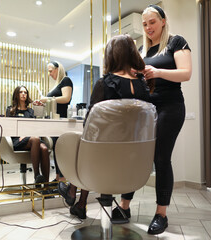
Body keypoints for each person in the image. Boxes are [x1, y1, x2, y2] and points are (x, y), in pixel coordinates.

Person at [111, 5, 192, 235]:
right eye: (145, 24)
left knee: (161, 157)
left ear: (163, 21)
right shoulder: (142, 50)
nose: (148, 28)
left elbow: (186, 73)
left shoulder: (177, 42)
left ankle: (161, 214)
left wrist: (156, 72)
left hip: (171, 107)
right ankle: (125, 207)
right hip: (147, 109)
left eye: (152, 22)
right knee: (135, 157)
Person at [58, 34, 151, 220]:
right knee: (96, 145)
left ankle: (73, 191)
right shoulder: (143, 85)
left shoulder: (105, 83)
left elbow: (90, 125)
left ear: (111, 55)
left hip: (102, 161)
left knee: (86, 142)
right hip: (134, 161)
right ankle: (79, 202)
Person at [35, 61, 73, 183]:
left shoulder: (66, 80)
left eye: (51, 70)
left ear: (58, 69)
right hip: (53, 121)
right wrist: (44, 103)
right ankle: (58, 177)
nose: (49, 73)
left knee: (59, 149)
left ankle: (62, 178)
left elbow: (66, 98)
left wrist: (48, 99)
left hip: (61, 121)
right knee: (56, 148)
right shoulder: (57, 85)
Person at [6, 86, 50, 185]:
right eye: (21, 92)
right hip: (17, 140)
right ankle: (37, 175)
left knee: (43, 148)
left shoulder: (31, 111)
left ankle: (46, 186)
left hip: (31, 138)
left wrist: (41, 107)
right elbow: (9, 127)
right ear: (16, 94)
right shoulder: (11, 110)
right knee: (35, 139)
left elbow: (35, 126)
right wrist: (20, 134)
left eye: (25, 92)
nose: (23, 94)